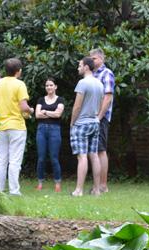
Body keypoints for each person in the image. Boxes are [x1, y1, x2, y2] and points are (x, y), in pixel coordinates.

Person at [0, 58, 33, 195]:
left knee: (2, 159)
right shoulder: (19, 84)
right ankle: (14, 191)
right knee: (15, 160)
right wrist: (31, 111)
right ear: (19, 71)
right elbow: (23, 107)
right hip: (16, 125)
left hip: (1, 126)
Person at [70, 57, 104, 197]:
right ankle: (96, 190)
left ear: (86, 67)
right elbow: (101, 104)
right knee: (94, 155)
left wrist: (72, 122)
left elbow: (77, 106)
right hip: (95, 122)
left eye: (80, 65)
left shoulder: (82, 83)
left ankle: (79, 190)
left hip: (82, 123)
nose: (78, 68)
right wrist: (96, 117)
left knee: (82, 157)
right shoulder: (99, 84)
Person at [90, 48, 115, 193]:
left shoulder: (107, 73)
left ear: (101, 59)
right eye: (90, 59)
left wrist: (99, 117)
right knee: (95, 150)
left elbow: (108, 97)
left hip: (101, 118)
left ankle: (103, 185)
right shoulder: (92, 75)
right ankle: (97, 184)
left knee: (100, 150)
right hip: (91, 117)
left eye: (94, 59)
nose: (92, 61)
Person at [35, 78, 65, 192]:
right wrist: (49, 114)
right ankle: (40, 183)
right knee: (41, 158)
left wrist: (45, 112)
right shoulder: (41, 100)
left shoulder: (60, 99)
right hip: (41, 129)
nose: (49, 87)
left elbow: (58, 114)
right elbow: (37, 115)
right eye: (47, 85)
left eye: (51, 85)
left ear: (55, 87)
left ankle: (57, 183)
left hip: (54, 130)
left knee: (54, 158)